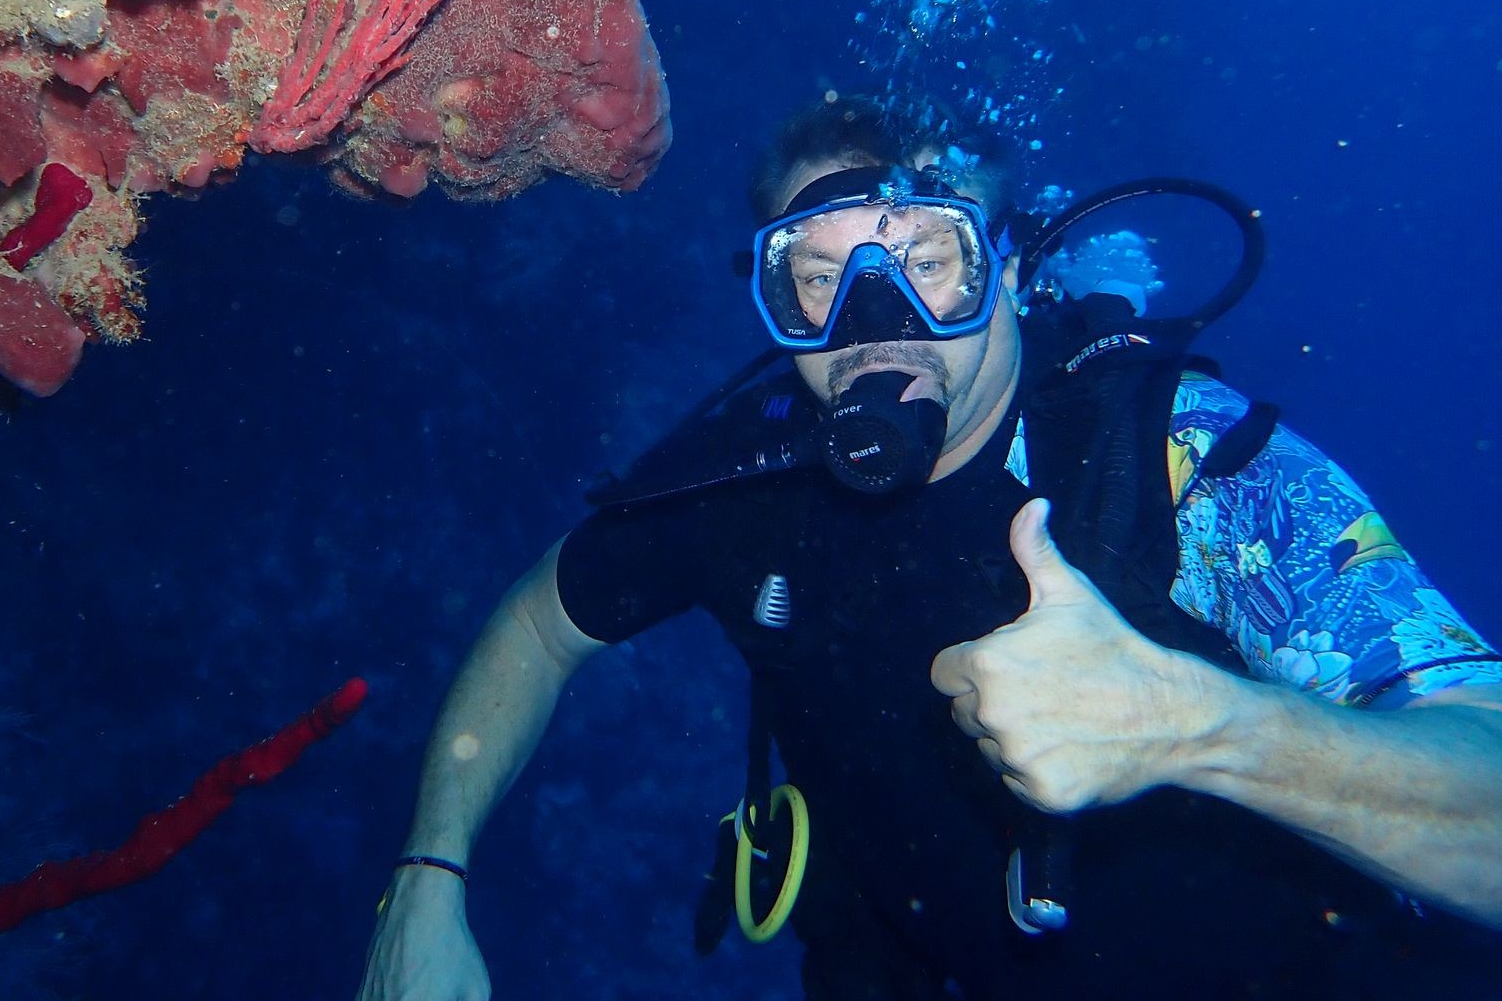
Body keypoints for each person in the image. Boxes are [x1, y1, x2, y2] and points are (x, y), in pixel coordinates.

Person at [357, 95, 1502, 1000]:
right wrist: (428, 876)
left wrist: (1204, 728)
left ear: (1007, 270)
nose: (873, 319)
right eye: (817, 274)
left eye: (930, 260)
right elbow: (539, 623)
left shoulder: (1172, 465)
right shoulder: (747, 481)